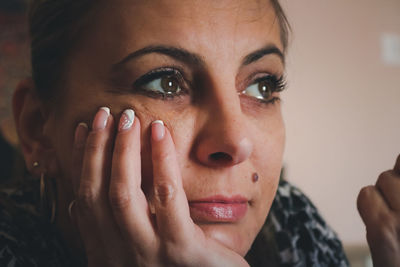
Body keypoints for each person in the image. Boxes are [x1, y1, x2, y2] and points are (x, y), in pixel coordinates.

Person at [1, 0, 399, 266]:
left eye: (262, 86)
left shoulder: (294, 220)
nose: (235, 142)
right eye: (164, 83)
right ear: (38, 128)